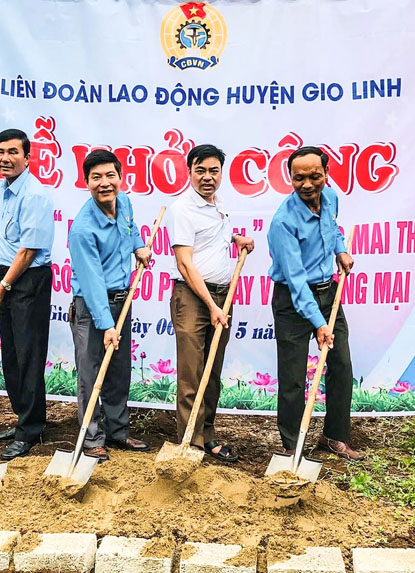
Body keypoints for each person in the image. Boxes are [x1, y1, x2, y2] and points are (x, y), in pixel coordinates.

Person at [266, 146, 363, 460]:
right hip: (293, 301)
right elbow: (295, 281)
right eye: (299, 178)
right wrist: (319, 323)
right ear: (289, 178)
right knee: (293, 377)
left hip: (328, 292)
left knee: (341, 366)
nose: (307, 184)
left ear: (326, 173)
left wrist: (341, 250)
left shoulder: (331, 197)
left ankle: (335, 436)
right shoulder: (283, 222)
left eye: (314, 176)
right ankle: (292, 446)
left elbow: (332, 228)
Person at [166, 144, 254, 463]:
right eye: (200, 170)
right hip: (193, 297)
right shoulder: (182, 209)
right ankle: (189, 443)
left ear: (221, 173)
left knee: (213, 370)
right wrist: (212, 306)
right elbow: (185, 264)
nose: (207, 177)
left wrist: (236, 239)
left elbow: (212, 238)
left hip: (222, 295)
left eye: (213, 171)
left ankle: (208, 435)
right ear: (189, 172)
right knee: (193, 371)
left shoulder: (218, 206)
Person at [68, 150, 152, 461]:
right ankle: (91, 439)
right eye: (96, 178)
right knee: (91, 374)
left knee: (118, 370)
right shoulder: (81, 229)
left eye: (110, 176)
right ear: (87, 182)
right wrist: (106, 326)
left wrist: (139, 246)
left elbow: (131, 231)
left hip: (122, 300)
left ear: (119, 176)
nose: (105, 183)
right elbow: (91, 284)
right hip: (92, 309)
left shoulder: (125, 202)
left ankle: (118, 432)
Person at [0, 128, 54, 461]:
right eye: (0, 151)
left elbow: (27, 251)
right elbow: (14, 222)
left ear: (28, 156)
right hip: (6, 277)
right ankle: (24, 418)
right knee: (10, 353)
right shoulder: (6, 188)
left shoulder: (35, 194)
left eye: (13, 152)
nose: (5, 158)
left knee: (28, 354)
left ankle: (31, 430)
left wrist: (2, 288)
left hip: (26, 280)